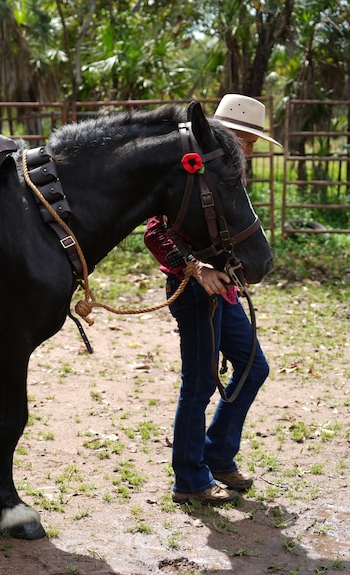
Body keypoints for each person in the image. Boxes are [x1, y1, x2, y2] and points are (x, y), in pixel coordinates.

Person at [144, 94, 281, 505]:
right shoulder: (189, 174)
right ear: (228, 135)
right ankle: (189, 479)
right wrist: (195, 268)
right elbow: (154, 231)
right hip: (192, 291)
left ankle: (217, 454)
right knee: (199, 383)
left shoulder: (226, 177)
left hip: (225, 292)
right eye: (248, 139)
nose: (252, 148)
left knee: (254, 367)